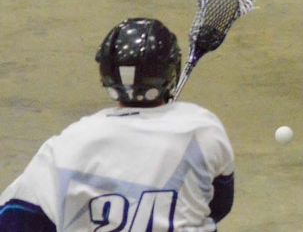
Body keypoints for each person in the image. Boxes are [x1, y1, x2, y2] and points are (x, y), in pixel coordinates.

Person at [0, 17, 235, 231]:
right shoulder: (204, 128)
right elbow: (219, 206)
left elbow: (14, 220)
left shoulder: (66, 145)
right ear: (170, 72)